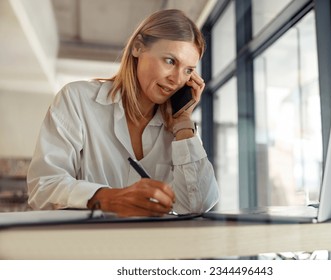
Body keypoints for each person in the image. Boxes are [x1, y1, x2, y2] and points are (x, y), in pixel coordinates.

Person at [27, 9, 219, 217]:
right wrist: (108, 198)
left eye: (188, 70)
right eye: (170, 61)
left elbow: (198, 204)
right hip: (87, 246)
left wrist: (183, 124)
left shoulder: (177, 128)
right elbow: (43, 188)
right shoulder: (77, 100)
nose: (177, 80)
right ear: (137, 47)